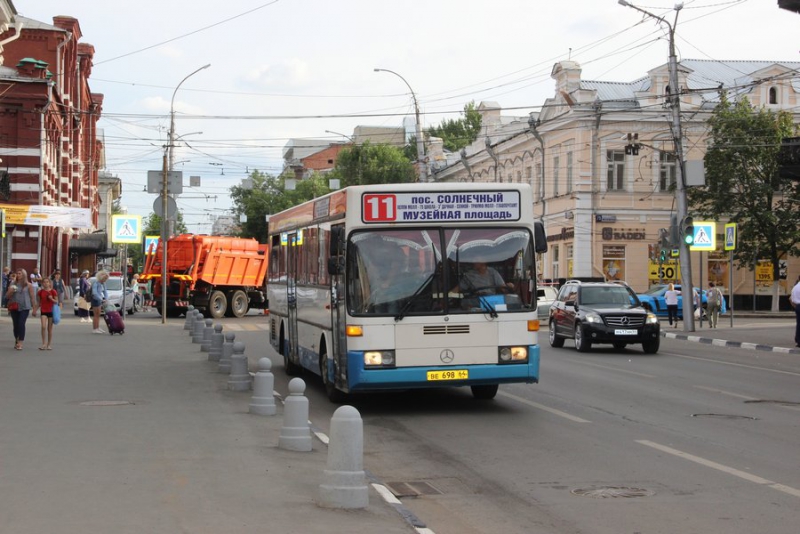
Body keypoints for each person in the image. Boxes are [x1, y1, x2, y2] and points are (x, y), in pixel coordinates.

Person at [5, 268, 36, 350]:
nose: (18, 275)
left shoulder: (28, 285)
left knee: (21, 323)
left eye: (20, 273)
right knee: (15, 325)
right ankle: (17, 339)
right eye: (17, 273)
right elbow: (7, 296)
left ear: (24, 275)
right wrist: (10, 291)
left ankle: (20, 342)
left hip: (25, 307)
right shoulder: (12, 284)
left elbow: (32, 297)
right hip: (14, 306)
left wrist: (34, 309)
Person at [35, 277, 58, 350]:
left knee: (49, 329)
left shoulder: (53, 291)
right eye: (44, 282)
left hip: (51, 311)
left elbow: (56, 301)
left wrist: (51, 299)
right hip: (43, 311)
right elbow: (38, 302)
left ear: (49, 283)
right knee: (43, 327)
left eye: (47, 282)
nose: (46, 283)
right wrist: (35, 310)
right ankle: (43, 343)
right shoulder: (40, 292)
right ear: (42, 283)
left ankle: (49, 344)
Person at [91, 270, 110, 334]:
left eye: (106, 279)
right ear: (101, 277)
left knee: (98, 314)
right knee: (96, 314)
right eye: (105, 278)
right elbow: (95, 293)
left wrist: (106, 298)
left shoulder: (103, 284)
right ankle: (95, 328)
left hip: (99, 300)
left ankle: (97, 327)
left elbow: (105, 291)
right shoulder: (96, 283)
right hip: (95, 300)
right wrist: (101, 299)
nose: (105, 280)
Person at [791, 275, 800, 348]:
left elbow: (792, 299)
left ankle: (798, 340)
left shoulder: (795, 287)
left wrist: (796, 306)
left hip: (797, 306)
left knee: (799, 324)